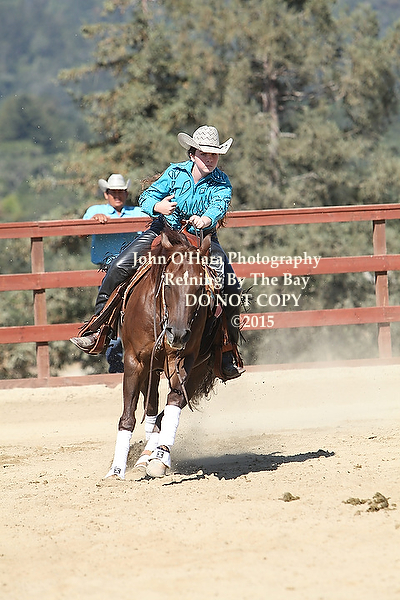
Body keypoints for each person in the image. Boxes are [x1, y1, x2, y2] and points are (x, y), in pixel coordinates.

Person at [71, 126, 244, 379]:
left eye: (214, 155)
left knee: (232, 288)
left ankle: (227, 350)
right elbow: (147, 197)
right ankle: (99, 328)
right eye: (204, 154)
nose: (209, 159)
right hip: (163, 232)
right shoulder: (174, 173)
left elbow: (219, 205)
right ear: (193, 154)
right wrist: (158, 206)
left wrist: (206, 219)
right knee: (119, 266)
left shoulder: (222, 182)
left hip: (201, 238)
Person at [83, 173, 147, 373]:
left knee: (136, 313)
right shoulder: (95, 211)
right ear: (106, 194)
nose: (117, 195)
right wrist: (93, 221)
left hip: (135, 269)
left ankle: (137, 357)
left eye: (121, 192)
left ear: (126, 193)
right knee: (111, 314)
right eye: (113, 192)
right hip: (107, 270)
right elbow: (81, 231)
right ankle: (114, 359)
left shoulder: (138, 212)